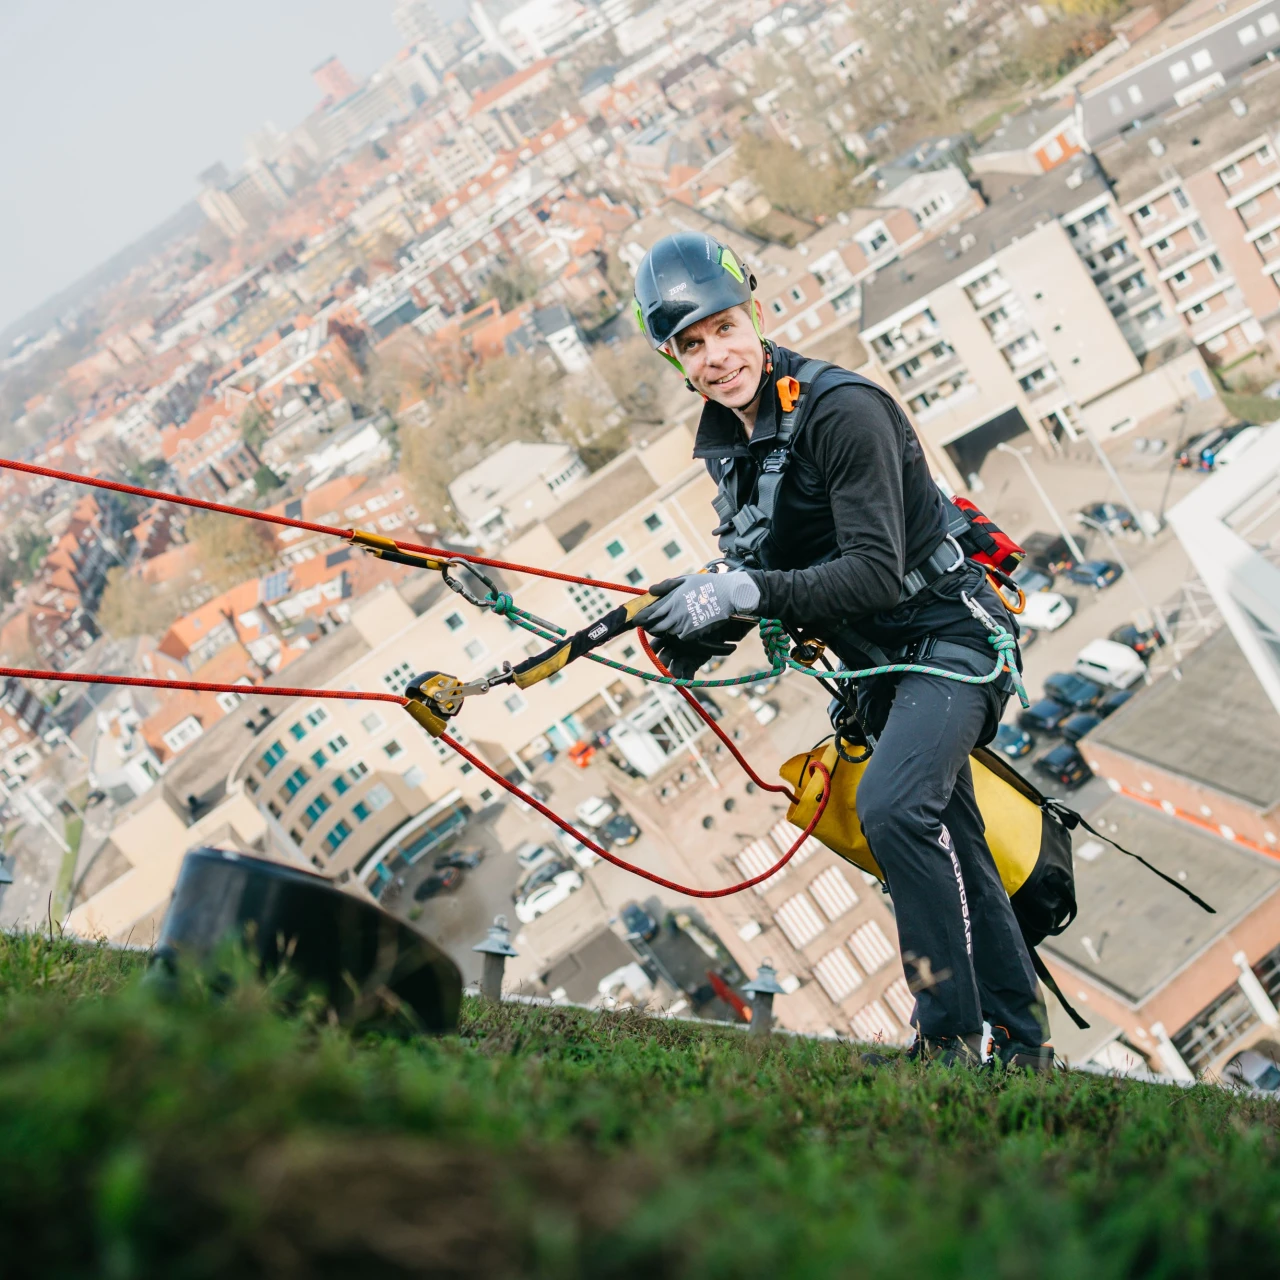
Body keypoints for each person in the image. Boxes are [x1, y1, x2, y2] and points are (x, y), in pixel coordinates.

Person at [632, 231, 1051, 1070]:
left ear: (753, 311)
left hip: (949, 637)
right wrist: (702, 619)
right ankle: (1022, 1046)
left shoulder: (841, 409)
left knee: (896, 809)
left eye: (724, 328)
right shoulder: (732, 443)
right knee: (957, 851)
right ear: (676, 360)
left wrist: (747, 593)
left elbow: (867, 571)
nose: (717, 357)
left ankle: (945, 1042)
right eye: (693, 345)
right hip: (883, 669)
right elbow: (762, 560)